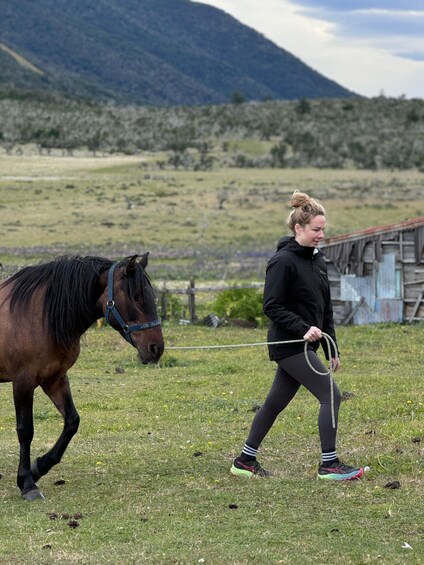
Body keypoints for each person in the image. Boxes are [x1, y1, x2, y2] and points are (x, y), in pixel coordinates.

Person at [230, 191, 363, 481]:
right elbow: (271, 306)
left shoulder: (318, 261)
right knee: (331, 394)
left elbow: (324, 308)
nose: (321, 234)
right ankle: (329, 464)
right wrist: (302, 328)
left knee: (274, 404)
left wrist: (332, 349)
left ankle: (244, 461)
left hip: (308, 346)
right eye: (316, 229)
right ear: (298, 228)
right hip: (289, 345)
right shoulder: (282, 262)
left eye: (323, 229)